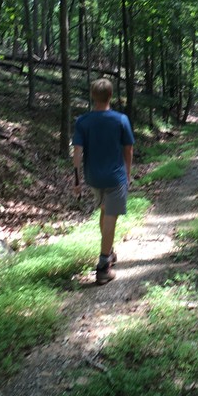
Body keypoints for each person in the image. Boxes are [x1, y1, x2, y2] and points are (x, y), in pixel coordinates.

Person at [72, 78, 134, 285]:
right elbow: (128, 149)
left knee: (104, 211)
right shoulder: (121, 119)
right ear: (111, 96)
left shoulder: (83, 121)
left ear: (92, 96)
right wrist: (127, 173)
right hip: (115, 177)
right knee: (110, 218)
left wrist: (77, 179)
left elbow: (77, 152)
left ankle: (109, 251)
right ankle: (102, 267)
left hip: (93, 178)